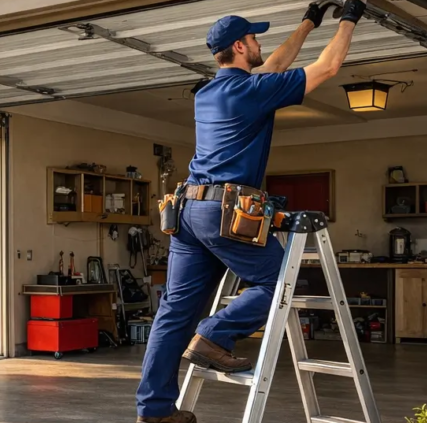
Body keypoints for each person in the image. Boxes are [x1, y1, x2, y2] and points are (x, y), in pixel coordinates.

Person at [134, 1, 370, 422]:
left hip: (188, 211)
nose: (261, 43)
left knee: (173, 313)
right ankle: (212, 337)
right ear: (241, 46)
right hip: (222, 212)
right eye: (255, 38)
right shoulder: (251, 92)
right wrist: (350, 17)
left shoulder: (210, 92)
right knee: (279, 282)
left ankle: (153, 412)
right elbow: (329, 66)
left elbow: (275, 64)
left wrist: (308, 23)